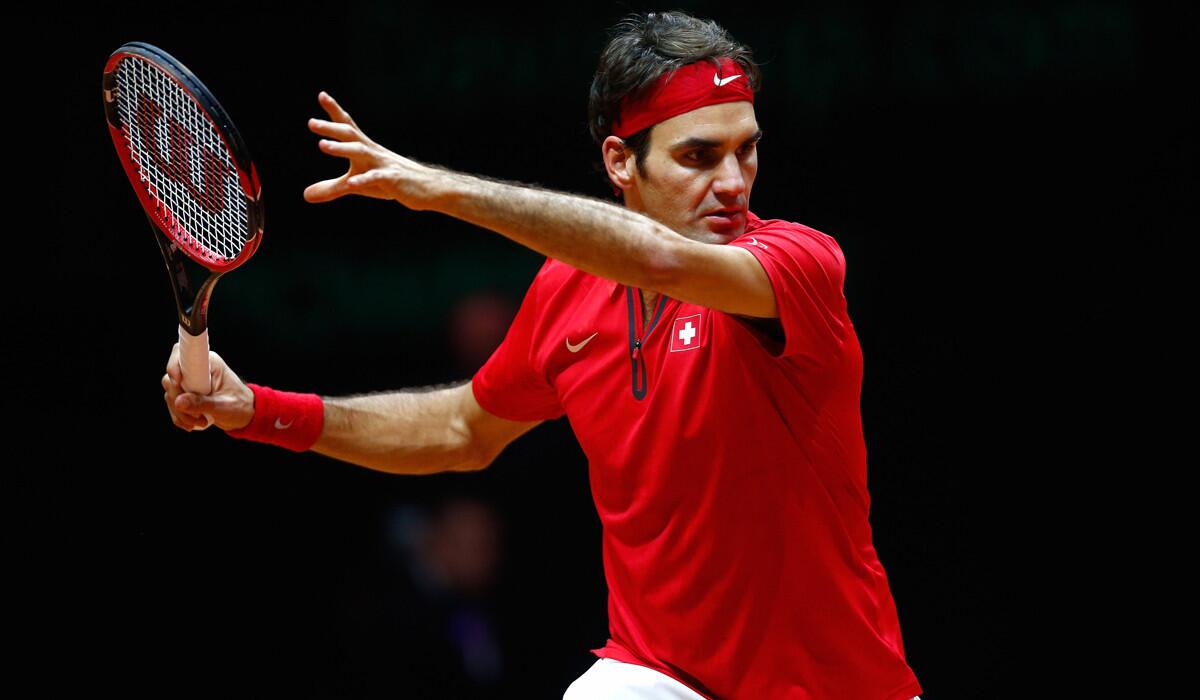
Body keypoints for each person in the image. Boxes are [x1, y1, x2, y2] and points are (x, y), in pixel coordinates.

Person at [162, 10, 923, 700]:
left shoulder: (796, 265)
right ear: (622, 163)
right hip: (661, 677)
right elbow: (462, 430)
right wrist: (257, 410)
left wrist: (441, 191)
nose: (732, 182)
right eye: (698, 156)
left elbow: (656, 258)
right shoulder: (571, 295)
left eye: (746, 150)